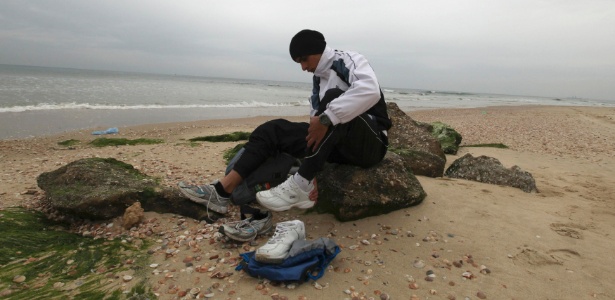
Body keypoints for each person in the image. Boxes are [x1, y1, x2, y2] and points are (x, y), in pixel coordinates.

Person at [179, 29, 391, 244]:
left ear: (318, 51)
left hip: (370, 145)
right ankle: (222, 191)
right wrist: (315, 169)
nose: (303, 67)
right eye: (298, 62)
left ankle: (300, 182)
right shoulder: (318, 81)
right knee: (274, 129)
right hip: (337, 145)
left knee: (334, 100)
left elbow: (370, 91)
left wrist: (327, 118)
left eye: (304, 60)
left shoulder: (348, 60)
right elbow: (314, 129)